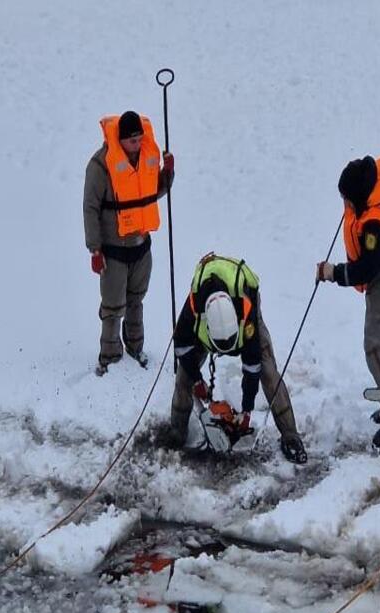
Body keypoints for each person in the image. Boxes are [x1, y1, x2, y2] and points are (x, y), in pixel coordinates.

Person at [169, 253, 308, 464]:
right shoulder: (193, 307)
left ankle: (290, 435)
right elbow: (181, 345)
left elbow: (252, 364)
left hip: (245, 303)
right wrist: (197, 380)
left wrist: (246, 409)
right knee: (183, 377)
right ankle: (176, 433)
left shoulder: (247, 311)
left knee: (268, 372)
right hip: (205, 315)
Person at [314, 154, 380, 449]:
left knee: (378, 345)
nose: (345, 204)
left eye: (347, 200)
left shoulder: (375, 228)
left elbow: (365, 270)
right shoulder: (373, 193)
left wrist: (332, 272)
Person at [83, 110, 174, 376]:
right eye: (131, 141)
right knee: (113, 306)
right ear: (120, 140)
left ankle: (136, 348)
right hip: (113, 250)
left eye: (139, 139)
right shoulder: (100, 166)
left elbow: (153, 192)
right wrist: (94, 248)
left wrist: (167, 173)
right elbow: (90, 208)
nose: (136, 145)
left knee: (137, 300)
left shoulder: (146, 159)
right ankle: (110, 356)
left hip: (141, 246)